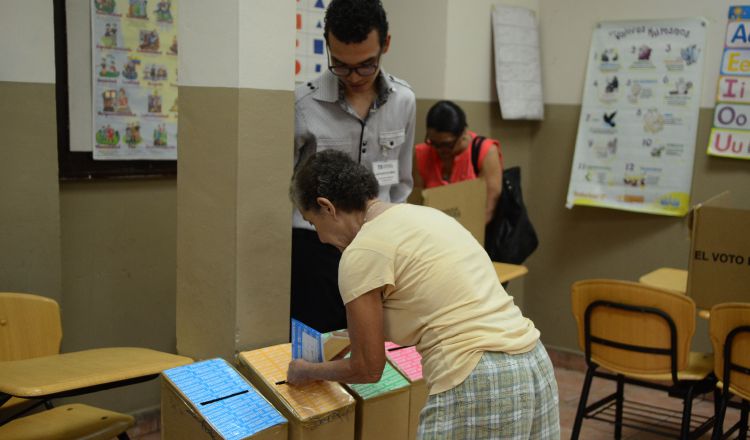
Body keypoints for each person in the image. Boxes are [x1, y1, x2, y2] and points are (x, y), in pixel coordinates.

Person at [287, 150, 560, 439]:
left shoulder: (361, 252)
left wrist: (308, 370)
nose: (319, 237)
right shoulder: (425, 216)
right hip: (533, 361)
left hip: (476, 375)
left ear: (327, 207)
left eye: (314, 223)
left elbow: (367, 369)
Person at [292, 0, 416, 333]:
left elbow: (403, 182)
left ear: (385, 44)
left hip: (380, 245)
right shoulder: (304, 105)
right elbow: (288, 188)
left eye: (366, 65)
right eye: (341, 66)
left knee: (373, 347)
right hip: (317, 250)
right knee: (320, 346)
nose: (354, 77)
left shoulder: (404, 101)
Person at [415, 100, 503, 224]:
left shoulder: (485, 151)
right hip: (433, 228)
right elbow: (417, 203)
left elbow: (488, 209)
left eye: (447, 144)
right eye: (434, 143)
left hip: (473, 230)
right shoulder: (422, 153)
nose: (440, 150)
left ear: (463, 133)